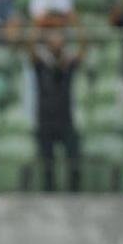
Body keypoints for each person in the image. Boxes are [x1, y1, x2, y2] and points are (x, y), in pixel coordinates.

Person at [28, 17, 84, 192]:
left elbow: (83, 49)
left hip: (65, 119)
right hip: (45, 119)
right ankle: (49, 193)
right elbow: (30, 48)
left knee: (74, 158)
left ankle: (74, 193)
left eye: (59, 38)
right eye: (53, 38)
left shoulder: (68, 64)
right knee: (47, 164)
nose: (56, 42)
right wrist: (39, 25)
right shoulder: (42, 64)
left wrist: (74, 23)